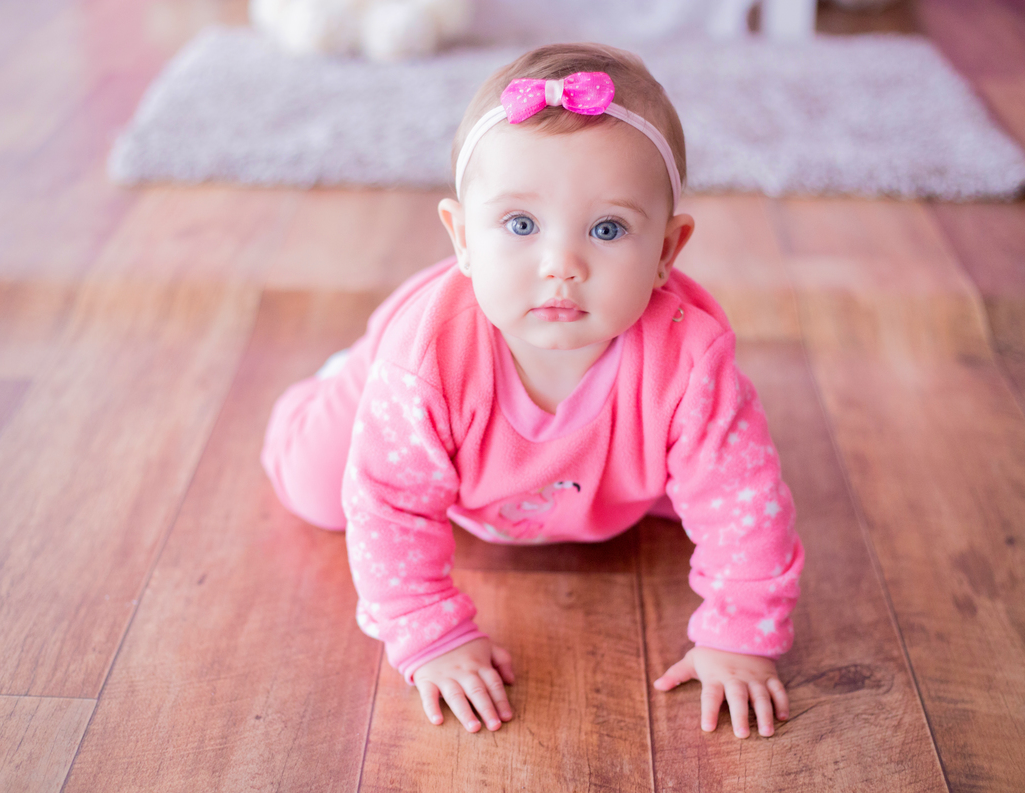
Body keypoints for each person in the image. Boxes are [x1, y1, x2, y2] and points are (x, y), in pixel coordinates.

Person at [262, 42, 804, 740]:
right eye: (520, 225)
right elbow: (391, 507)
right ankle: (344, 377)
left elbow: (746, 509)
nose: (560, 265)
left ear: (667, 251)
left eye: (607, 229)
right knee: (317, 492)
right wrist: (431, 634)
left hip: (595, 472)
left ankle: (634, 472)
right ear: (463, 237)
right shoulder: (425, 362)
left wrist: (740, 636)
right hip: (406, 393)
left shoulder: (689, 363)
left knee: (715, 486)